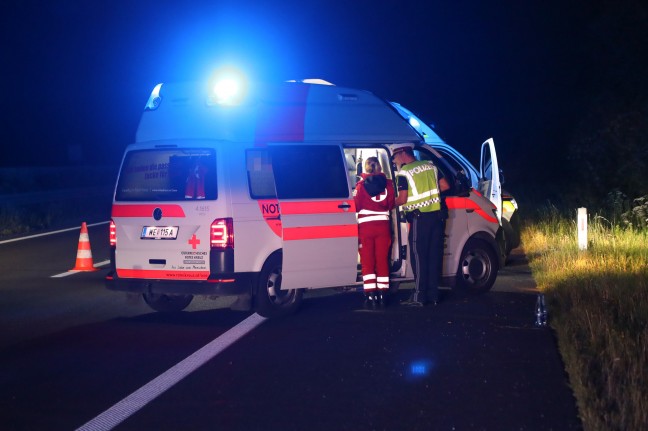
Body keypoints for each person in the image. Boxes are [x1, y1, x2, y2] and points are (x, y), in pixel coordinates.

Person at [391, 143, 449, 306]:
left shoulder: (404, 173)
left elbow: (402, 199)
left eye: (395, 157)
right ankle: (434, 296)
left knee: (419, 257)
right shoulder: (430, 166)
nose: (395, 161)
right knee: (433, 256)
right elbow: (445, 186)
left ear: (403, 154)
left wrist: (386, 204)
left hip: (419, 220)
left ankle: (419, 296)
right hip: (437, 218)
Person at [353, 156, 395, 307]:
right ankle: (383, 294)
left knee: (367, 262)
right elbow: (391, 203)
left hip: (366, 229)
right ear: (380, 168)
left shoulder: (360, 186)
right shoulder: (389, 184)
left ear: (366, 168)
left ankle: (371, 295)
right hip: (383, 227)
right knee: (382, 260)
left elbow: (355, 206)